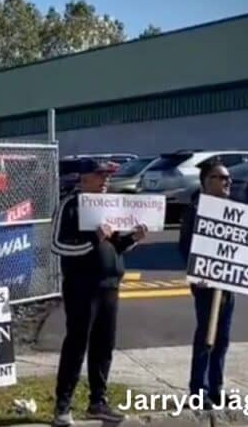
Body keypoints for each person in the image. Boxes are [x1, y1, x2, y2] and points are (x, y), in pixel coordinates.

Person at [50, 159, 148, 427]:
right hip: (82, 286)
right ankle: (63, 405)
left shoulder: (107, 204)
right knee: (77, 344)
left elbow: (114, 245)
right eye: (100, 175)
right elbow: (58, 245)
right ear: (84, 178)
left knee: (103, 345)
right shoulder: (71, 204)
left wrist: (132, 239)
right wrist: (93, 239)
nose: (105, 180)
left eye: (108, 175)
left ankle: (98, 402)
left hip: (109, 286)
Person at [178, 160, 248, 408]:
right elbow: (185, 247)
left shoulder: (234, 210)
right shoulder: (196, 210)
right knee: (207, 336)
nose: (227, 182)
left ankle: (216, 388)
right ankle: (199, 391)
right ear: (207, 181)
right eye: (221, 177)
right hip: (206, 283)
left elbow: (242, 245)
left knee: (223, 338)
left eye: (228, 178)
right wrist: (201, 274)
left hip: (228, 283)